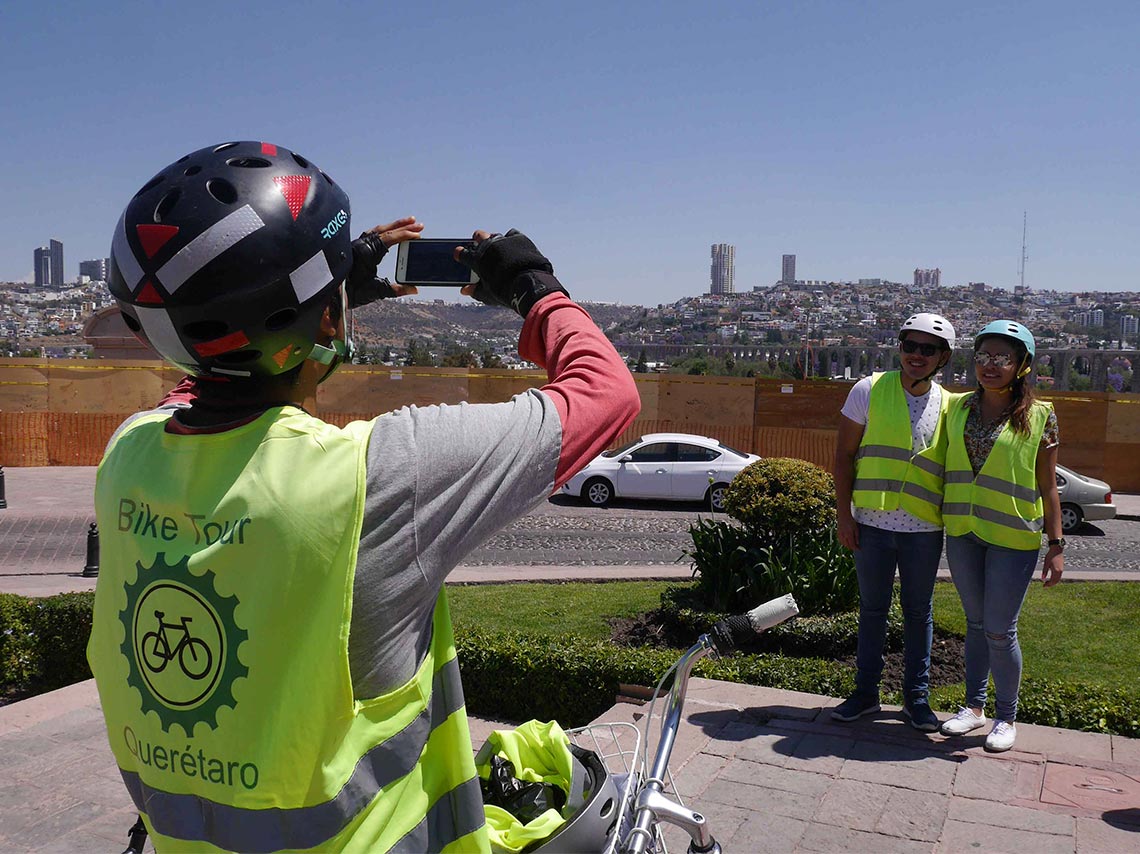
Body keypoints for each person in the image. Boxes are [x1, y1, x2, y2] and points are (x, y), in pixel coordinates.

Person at [86, 140, 640, 852]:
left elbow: (209, 382)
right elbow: (606, 392)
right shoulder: (376, 478)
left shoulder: (128, 455)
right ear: (323, 322)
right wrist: (532, 284)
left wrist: (325, 298)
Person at [938, 320, 1063, 752]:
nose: (991, 366)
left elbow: (1048, 486)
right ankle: (973, 709)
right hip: (964, 532)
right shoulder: (956, 408)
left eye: (1002, 358)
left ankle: (1006, 716)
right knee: (974, 624)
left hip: (1013, 538)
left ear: (1021, 365)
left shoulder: (1040, 416)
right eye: (984, 357)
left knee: (999, 630)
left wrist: (1057, 545)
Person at [831, 313, 956, 732]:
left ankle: (915, 700)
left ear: (943, 357)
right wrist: (843, 515)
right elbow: (843, 458)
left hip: (923, 528)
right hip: (872, 523)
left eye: (928, 349)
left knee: (919, 612)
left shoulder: (950, 405)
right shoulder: (868, 389)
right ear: (899, 347)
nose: (916, 355)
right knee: (872, 611)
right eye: (910, 346)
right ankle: (865, 693)